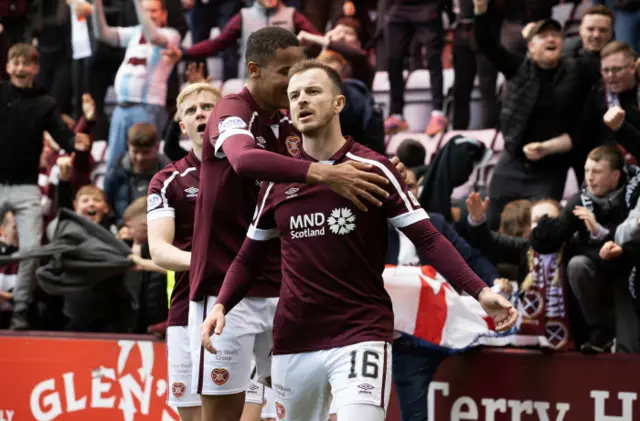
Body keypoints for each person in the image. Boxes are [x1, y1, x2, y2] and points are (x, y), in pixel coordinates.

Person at [201, 60, 518, 421]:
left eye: (313, 91)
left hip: (360, 333)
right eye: (294, 96)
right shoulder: (278, 182)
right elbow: (248, 258)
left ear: (338, 103)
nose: (302, 101)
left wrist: (481, 291)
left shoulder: (374, 169)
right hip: (293, 340)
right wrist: (220, 306)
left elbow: (428, 239)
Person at [188, 27, 393, 421]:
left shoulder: (288, 125)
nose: (293, 82)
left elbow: (335, 154)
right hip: (227, 289)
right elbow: (245, 162)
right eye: (285, 72)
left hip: (285, 291)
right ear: (255, 70)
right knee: (222, 415)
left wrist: (384, 169)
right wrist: (320, 173)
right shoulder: (231, 110)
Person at [0, 43, 90, 330]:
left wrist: (85, 130)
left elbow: (66, 139)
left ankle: (21, 310)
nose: (19, 67)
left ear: (35, 68)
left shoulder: (45, 103)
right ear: (7, 66)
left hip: (27, 188)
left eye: (25, 63)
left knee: (30, 251)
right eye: (14, 62)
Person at [147, 83, 221, 421]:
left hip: (248, 307)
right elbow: (160, 250)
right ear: (182, 126)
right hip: (185, 308)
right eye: (191, 111)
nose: (200, 113)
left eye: (208, 106)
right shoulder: (167, 180)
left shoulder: (253, 171)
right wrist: (213, 263)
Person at [91, 0, 181, 170]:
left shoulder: (171, 34)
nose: (148, 15)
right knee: (114, 165)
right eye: (146, 11)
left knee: (146, 163)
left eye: (153, 11)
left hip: (148, 107)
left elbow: (152, 37)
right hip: (121, 108)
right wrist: (97, 4)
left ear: (164, 14)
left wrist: (138, 3)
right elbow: (101, 33)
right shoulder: (134, 33)